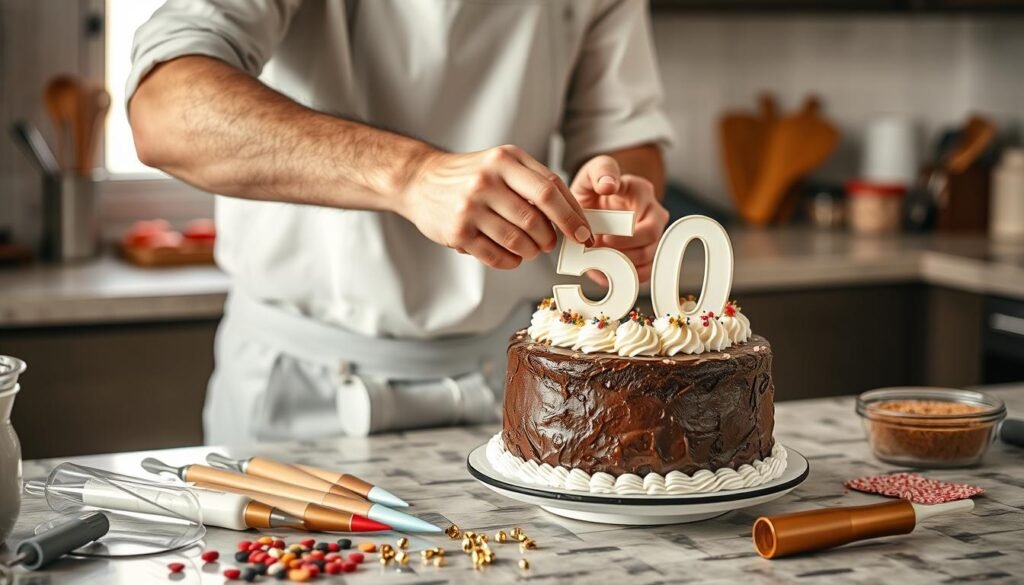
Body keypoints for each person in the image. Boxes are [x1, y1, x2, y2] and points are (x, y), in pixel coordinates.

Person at [127, 0, 674, 445]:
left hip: (518, 390)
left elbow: (621, 132)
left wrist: (614, 198)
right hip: (295, 393)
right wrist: (411, 175)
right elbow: (164, 110)